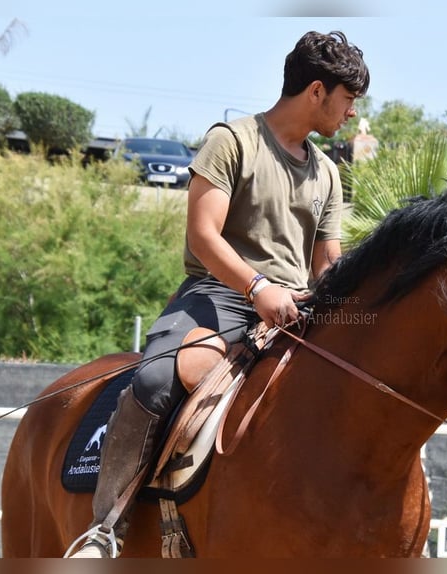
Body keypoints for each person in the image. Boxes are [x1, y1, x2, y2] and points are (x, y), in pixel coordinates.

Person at [67, 30, 370, 558]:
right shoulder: (233, 141)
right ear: (317, 91)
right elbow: (204, 237)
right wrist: (258, 287)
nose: (350, 114)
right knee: (160, 375)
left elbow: (328, 263)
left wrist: (352, 313)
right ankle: (104, 527)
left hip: (296, 309)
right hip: (220, 297)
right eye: (348, 100)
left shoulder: (327, 170)